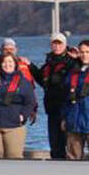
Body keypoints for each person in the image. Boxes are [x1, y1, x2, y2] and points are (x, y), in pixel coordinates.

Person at [0, 52, 37, 159]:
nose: (7, 64)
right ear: (0, 64)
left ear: (15, 64)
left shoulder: (23, 82)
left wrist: (23, 116)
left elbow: (30, 102)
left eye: (10, 61)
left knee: (14, 157)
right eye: (4, 62)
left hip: (14, 126)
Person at [31, 32, 78, 160]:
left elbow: (81, 74)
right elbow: (42, 79)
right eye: (54, 44)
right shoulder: (49, 63)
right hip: (52, 110)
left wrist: (77, 59)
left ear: (65, 45)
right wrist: (30, 66)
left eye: (59, 44)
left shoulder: (72, 61)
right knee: (55, 145)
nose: (57, 47)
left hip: (68, 110)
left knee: (70, 144)